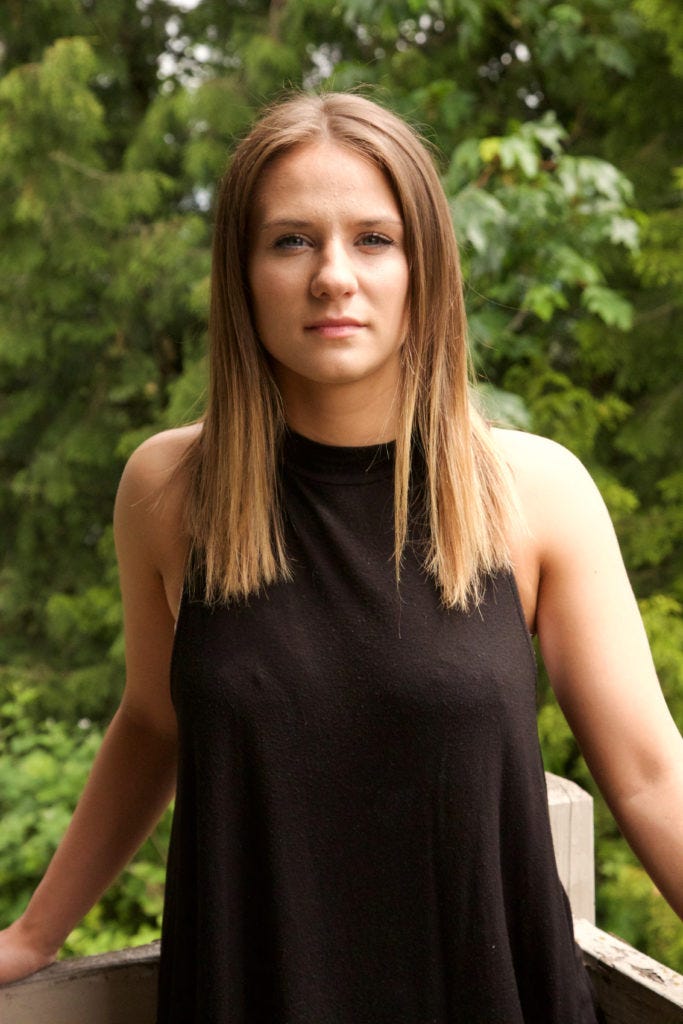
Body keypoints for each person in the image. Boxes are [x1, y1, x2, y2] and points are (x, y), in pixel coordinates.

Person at [0, 91, 681, 1023]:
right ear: (240, 272)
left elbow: (646, 772)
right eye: (290, 241)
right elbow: (154, 723)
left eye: (373, 239)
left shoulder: (531, 491)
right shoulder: (169, 491)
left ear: (424, 268)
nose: (332, 276)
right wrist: (35, 935)